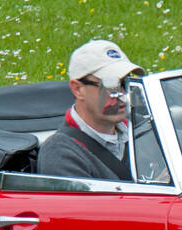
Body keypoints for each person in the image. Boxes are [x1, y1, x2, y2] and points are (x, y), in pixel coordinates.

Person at [37, 40, 146, 181]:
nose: (123, 94)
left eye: (126, 83)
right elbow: (82, 204)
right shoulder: (60, 153)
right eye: (110, 85)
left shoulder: (143, 131)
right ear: (78, 89)